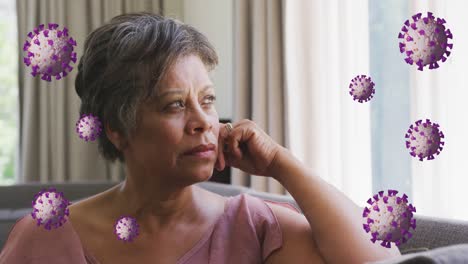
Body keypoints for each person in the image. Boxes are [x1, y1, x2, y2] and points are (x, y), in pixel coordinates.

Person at [0, 12, 400, 264]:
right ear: (116, 130)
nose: (203, 122)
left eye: (207, 100)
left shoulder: (253, 227)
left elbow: (379, 259)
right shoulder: (49, 237)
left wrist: (281, 163)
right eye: (175, 105)